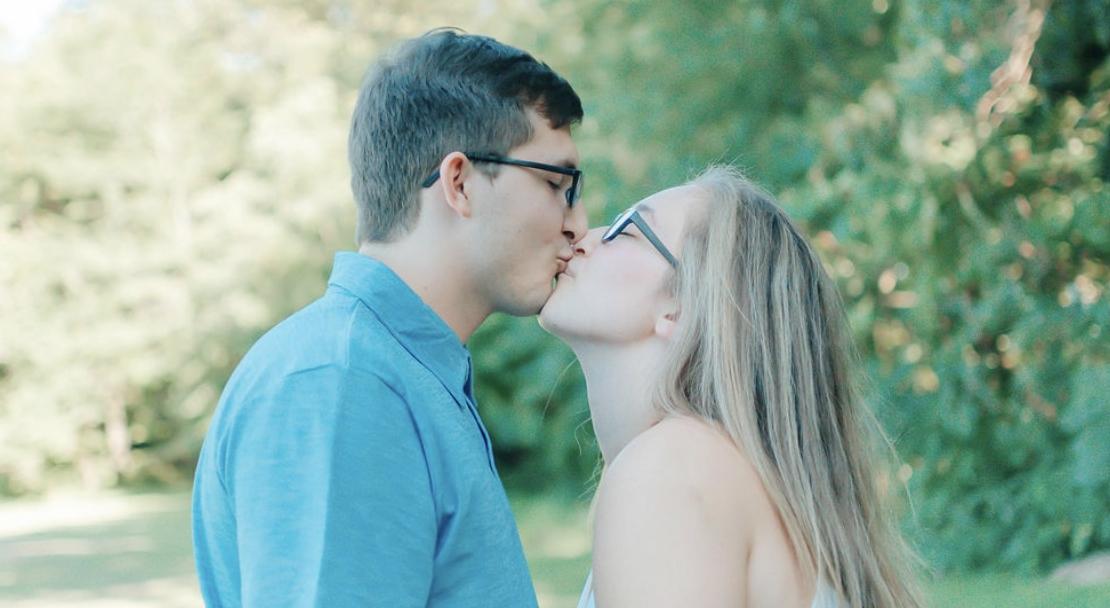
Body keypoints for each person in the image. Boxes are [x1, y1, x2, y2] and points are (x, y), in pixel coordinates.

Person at [192, 28, 587, 607]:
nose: (578, 223)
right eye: (558, 184)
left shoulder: (397, 369)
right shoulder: (345, 382)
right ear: (460, 183)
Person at [539, 166, 924, 608]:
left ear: (683, 307)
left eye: (625, 230)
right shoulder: (721, 478)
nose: (583, 237)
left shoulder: (670, 471)